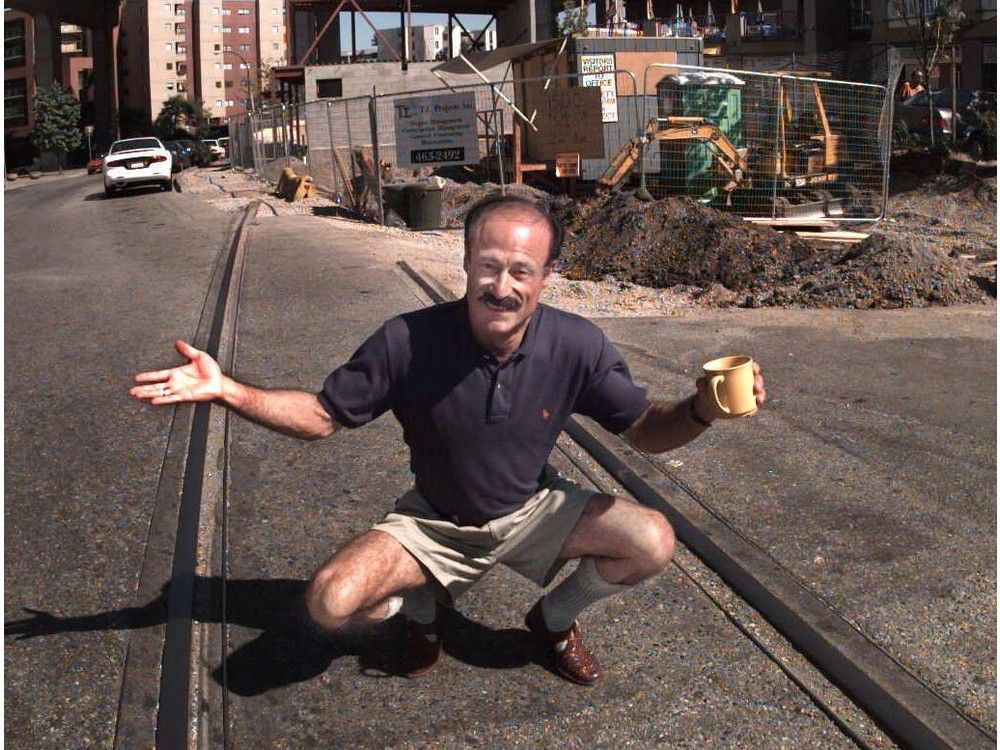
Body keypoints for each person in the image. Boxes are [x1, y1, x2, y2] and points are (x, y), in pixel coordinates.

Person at [130, 196, 767, 685]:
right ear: (465, 263)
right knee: (329, 604)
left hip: (531, 510)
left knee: (651, 539)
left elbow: (648, 431)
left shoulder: (578, 345)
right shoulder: (407, 341)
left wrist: (701, 409)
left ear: (546, 277)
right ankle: (423, 608)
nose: (503, 286)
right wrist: (229, 391)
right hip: (435, 519)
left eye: (522, 270)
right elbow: (323, 415)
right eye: (489, 266)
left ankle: (551, 622)